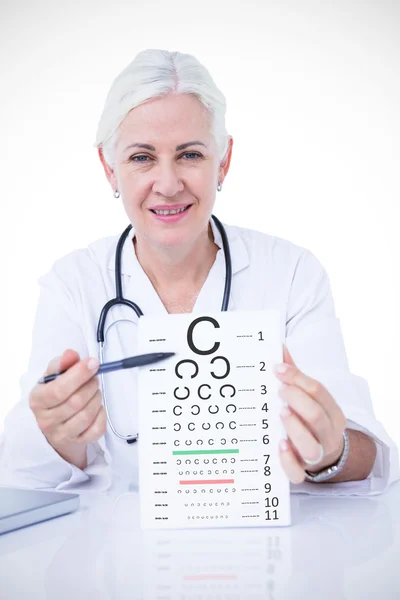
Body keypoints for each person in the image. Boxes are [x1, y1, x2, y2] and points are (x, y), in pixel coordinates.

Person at [0, 49, 398, 495]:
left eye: (189, 155)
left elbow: (364, 453)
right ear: (109, 168)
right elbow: (25, 477)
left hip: (269, 555)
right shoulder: (73, 285)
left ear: (223, 161)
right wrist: (57, 433)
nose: (168, 184)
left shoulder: (290, 274)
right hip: (117, 559)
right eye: (141, 158)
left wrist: (328, 453)